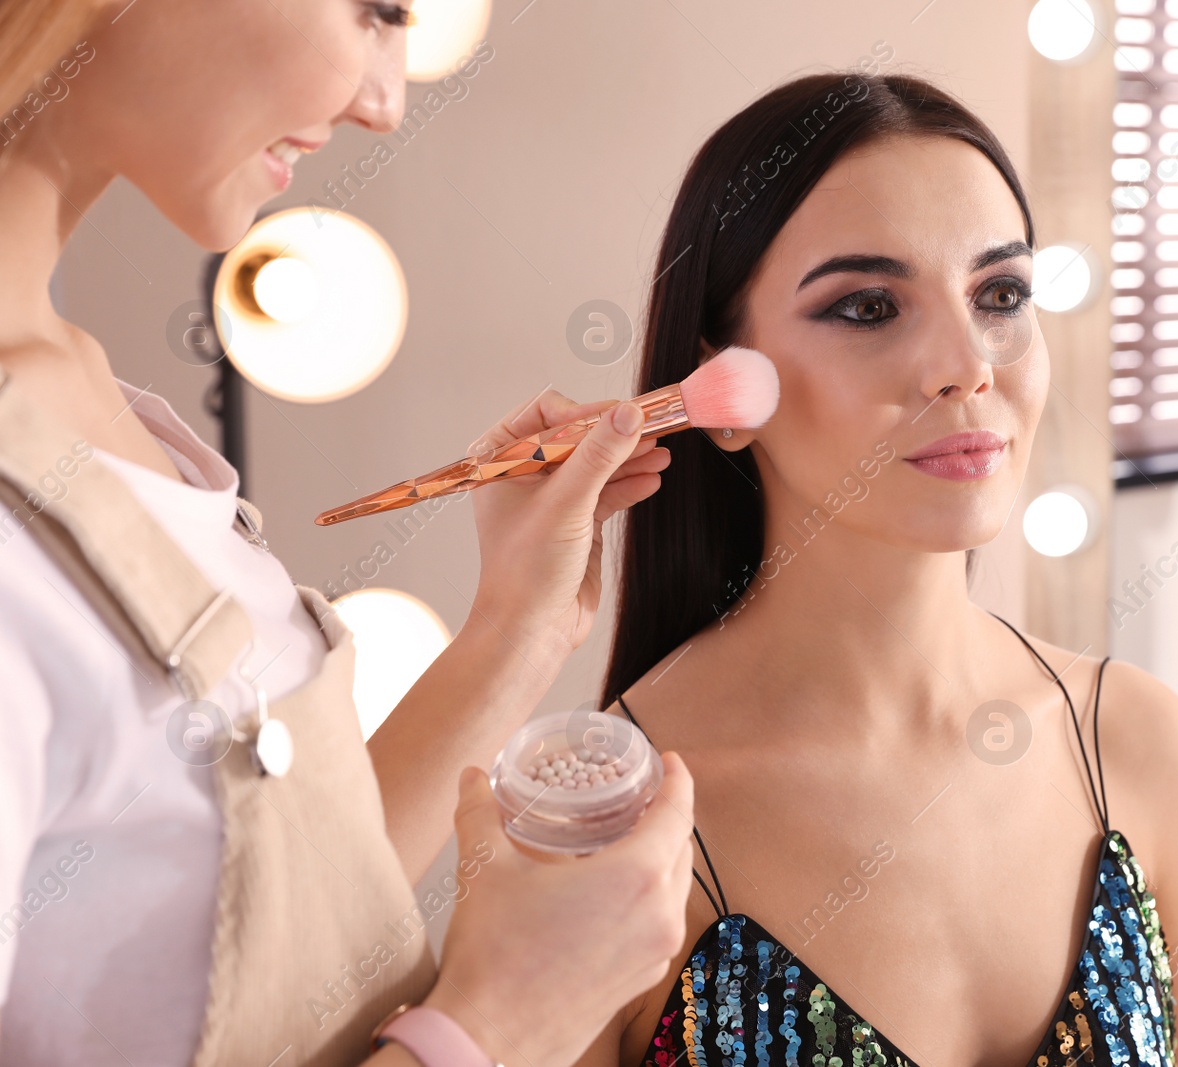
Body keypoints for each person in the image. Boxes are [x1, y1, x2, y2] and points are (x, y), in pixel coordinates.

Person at [0, 2, 696, 1064]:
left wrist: (518, 619)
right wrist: (502, 1017)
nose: (383, 103)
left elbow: (286, 887)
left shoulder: (88, 398)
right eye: (376, 10)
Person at [585, 73, 1178, 1067]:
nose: (966, 361)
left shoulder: (1136, 741)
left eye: (1000, 294)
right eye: (868, 305)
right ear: (723, 389)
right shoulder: (617, 818)